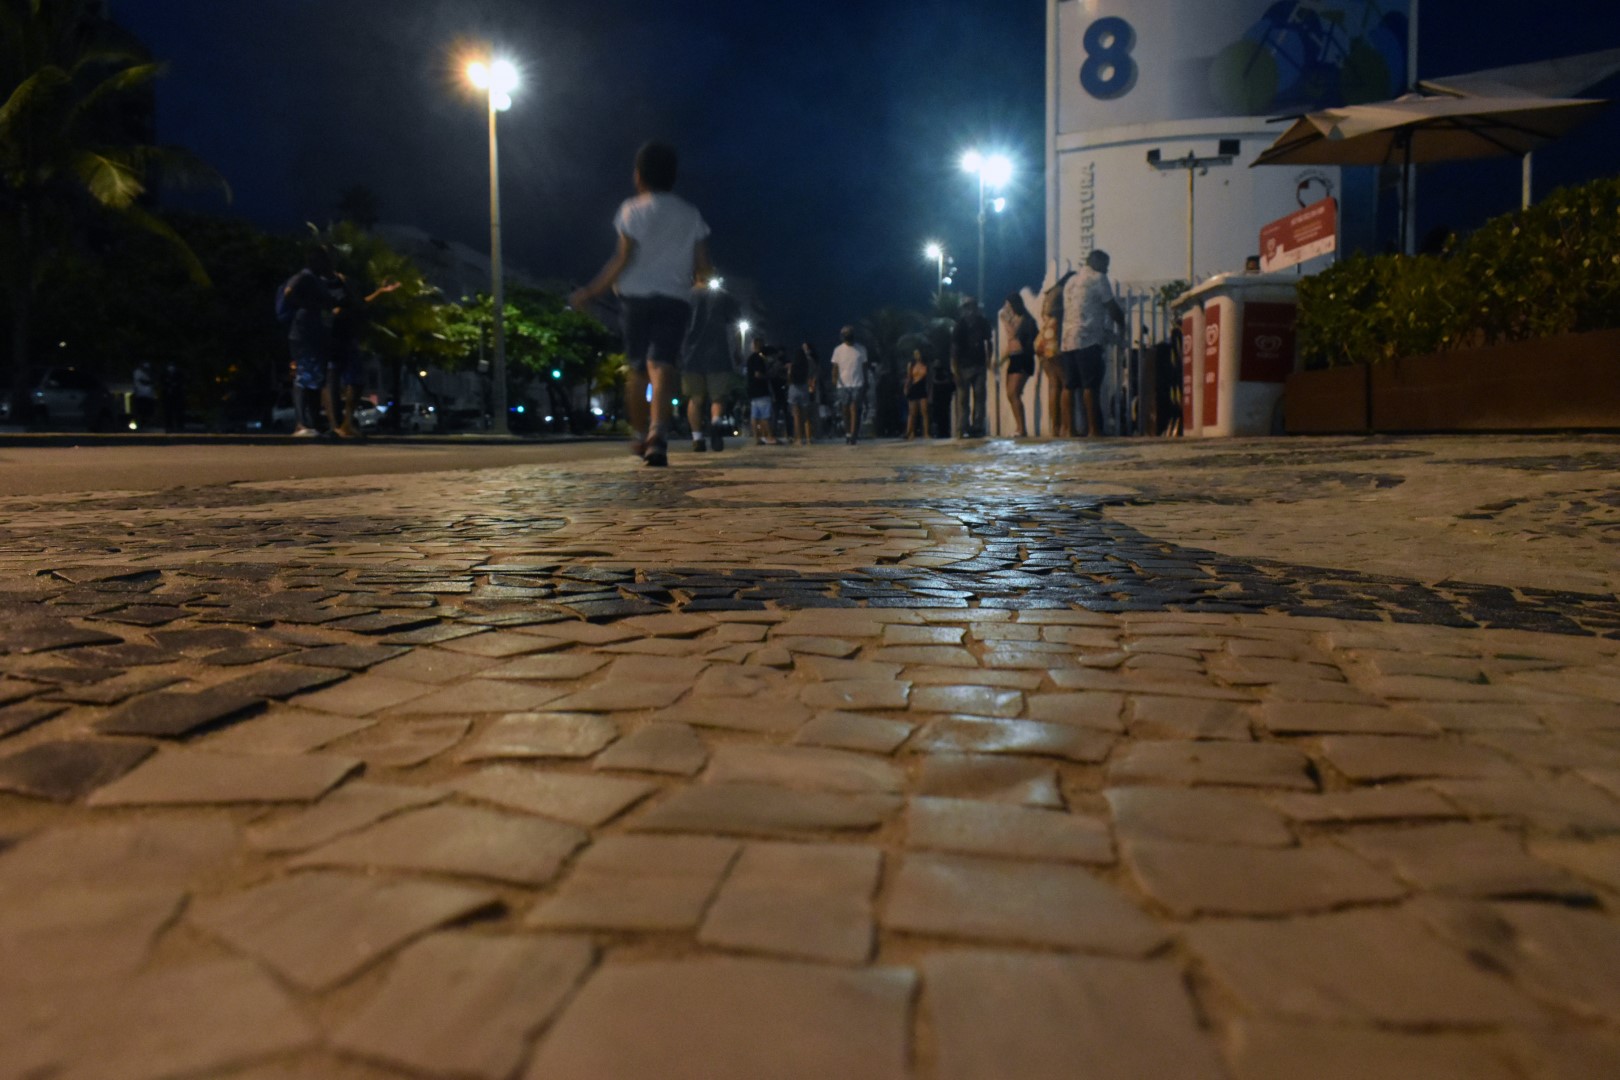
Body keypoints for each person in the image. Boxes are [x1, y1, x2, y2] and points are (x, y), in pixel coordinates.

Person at [570, 142, 712, 468]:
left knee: (637, 369)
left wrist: (592, 291)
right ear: (673, 177)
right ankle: (657, 434)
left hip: (635, 299)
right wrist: (694, 279)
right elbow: (703, 266)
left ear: (639, 176)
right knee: (662, 365)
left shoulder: (631, 210)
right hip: (675, 300)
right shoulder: (690, 215)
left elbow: (623, 258)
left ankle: (638, 434)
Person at [279, 244, 344, 437]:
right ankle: (301, 423)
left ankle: (314, 423)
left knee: (315, 379)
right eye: (325, 260)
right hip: (304, 334)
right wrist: (306, 305)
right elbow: (289, 293)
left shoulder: (318, 279)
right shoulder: (306, 276)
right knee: (303, 377)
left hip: (316, 334)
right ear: (316, 261)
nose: (328, 264)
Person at [1060, 249, 1126, 439]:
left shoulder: (1070, 282)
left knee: (1069, 386)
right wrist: (1122, 324)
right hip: (1087, 339)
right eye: (1106, 265)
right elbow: (1112, 307)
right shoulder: (1098, 279)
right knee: (1091, 386)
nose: (1107, 269)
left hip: (1067, 339)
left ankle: (1068, 429)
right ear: (1097, 263)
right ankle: (1094, 430)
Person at [328, 273, 400, 439]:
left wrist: (381, 292)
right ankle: (336, 425)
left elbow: (361, 304)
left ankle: (346, 423)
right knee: (332, 380)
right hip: (336, 340)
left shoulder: (350, 297)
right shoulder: (333, 292)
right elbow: (335, 312)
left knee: (355, 381)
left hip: (349, 340)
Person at [680, 282, 742, 452]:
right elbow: (736, 325)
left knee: (695, 399)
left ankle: (697, 438)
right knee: (717, 398)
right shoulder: (722, 295)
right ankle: (715, 423)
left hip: (690, 354)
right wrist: (737, 349)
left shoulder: (685, 294)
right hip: (718, 353)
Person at [1038, 265, 1074, 437]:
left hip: (1045, 341)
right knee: (1067, 383)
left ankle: (1055, 427)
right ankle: (1067, 427)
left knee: (1054, 384)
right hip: (1056, 341)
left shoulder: (1050, 293)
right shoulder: (1062, 293)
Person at [950, 296, 992, 437]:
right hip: (963, 367)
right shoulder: (960, 325)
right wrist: (955, 370)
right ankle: (962, 427)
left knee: (980, 397)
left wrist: (988, 359)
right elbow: (954, 349)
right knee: (963, 400)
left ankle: (977, 427)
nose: (971, 310)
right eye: (968, 307)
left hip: (979, 365)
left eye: (973, 307)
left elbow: (989, 341)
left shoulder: (983, 323)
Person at [999, 292, 1037, 439]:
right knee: (1010, 394)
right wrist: (1001, 360)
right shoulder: (1014, 320)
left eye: (1009, 306)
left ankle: (1022, 428)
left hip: (1023, 358)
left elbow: (1014, 336)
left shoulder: (1026, 320)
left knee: (1014, 392)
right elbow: (1010, 344)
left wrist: (1005, 322)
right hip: (1014, 358)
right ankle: (1019, 427)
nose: (1007, 309)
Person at [830, 325, 867, 445]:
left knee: (854, 409)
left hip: (857, 383)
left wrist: (866, 382)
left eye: (848, 333)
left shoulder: (861, 349)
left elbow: (864, 367)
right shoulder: (838, 350)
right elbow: (835, 367)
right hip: (843, 385)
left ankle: (853, 435)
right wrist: (834, 380)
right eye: (845, 334)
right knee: (845, 409)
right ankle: (847, 433)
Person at [745, 336, 776, 445]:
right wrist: (769, 376)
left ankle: (757, 438)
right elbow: (758, 374)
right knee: (765, 416)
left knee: (755, 416)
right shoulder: (759, 358)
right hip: (761, 390)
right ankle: (769, 437)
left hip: (752, 390)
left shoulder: (750, 359)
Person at [788, 342, 819, 445]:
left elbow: (789, 378)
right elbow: (813, 374)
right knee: (806, 416)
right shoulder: (809, 362)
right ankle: (809, 438)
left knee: (796, 417)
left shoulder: (793, 364)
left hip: (793, 389)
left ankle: (799, 439)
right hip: (804, 389)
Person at [903, 347, 931, 440]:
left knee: (924, 411)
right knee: (912, 412)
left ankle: (926, 433)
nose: (917, 355)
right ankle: (910, 432)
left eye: (918, 353)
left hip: (922, 387)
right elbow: (909, 377)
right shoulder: (911, 365)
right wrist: (906, 387)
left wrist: (930, 391)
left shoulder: (926, 365)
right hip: (914, 387)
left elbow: (928, 379)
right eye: (915, 354)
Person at [131, 360, 157, 431]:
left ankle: (147, 425)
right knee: (141, 411)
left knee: (149, 412)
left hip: (149, 395)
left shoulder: (149, 373)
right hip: (141, 395)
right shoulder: (138, 372)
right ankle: (141, 425)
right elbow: (144, 381)